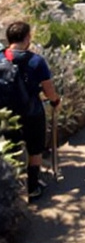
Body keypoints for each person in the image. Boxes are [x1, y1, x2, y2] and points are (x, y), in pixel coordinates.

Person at [0, 21, 57, 203]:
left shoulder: (0, 58)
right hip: (32, 112)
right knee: (35, 149)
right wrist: (55, 101)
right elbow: (48, 90)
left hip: (6, 114)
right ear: (27, 38)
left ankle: (11, 189)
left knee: (11, 148)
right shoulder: (36, 61)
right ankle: (33, 187)